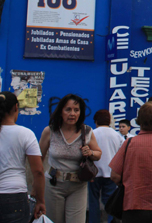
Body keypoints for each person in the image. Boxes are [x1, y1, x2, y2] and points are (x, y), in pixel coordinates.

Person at [39, 94, 102, 223]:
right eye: (68, 109)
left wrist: (90, 152)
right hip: (53, 184)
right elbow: (39, 158)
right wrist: (37, 185)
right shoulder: (50, 131)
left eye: (76, 110)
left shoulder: (87, 131)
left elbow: (98, 154)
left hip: (78, 185)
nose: (72, 113)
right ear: (61, 111)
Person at [0, 91, 46, 223]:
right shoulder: (25, 134)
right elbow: (38, 171)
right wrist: (40, 201)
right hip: (15, 196)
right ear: (16, 108)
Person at [88, 110, 123, 223]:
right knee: (109, 201)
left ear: (96, 121)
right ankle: (110, 221)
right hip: (111, 173)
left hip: (94, 173)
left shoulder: (92, 133)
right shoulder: (117, 135)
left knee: (93, 201)